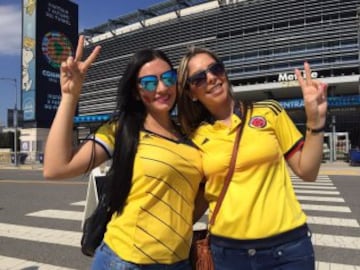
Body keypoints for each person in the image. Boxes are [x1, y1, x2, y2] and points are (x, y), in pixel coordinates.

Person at [43, 35, 204, 270]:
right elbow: (56, 168)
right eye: (149, 82)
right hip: (125, 262)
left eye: (168, 78)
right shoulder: (123, 130)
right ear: (137, 92)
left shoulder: (190, 137)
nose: (162, 88)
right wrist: (69, 96)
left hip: (178, 262)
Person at [176, 47, 328, 270]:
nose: (211, 78)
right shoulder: (194, 139)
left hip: (287, 248)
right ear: (191, 93)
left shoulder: (268, 112)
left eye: (215, 69)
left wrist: (316, 120)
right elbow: (196, 200)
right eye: (199, 78)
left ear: (224, 72)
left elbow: (307, 171)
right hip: (228, 253)